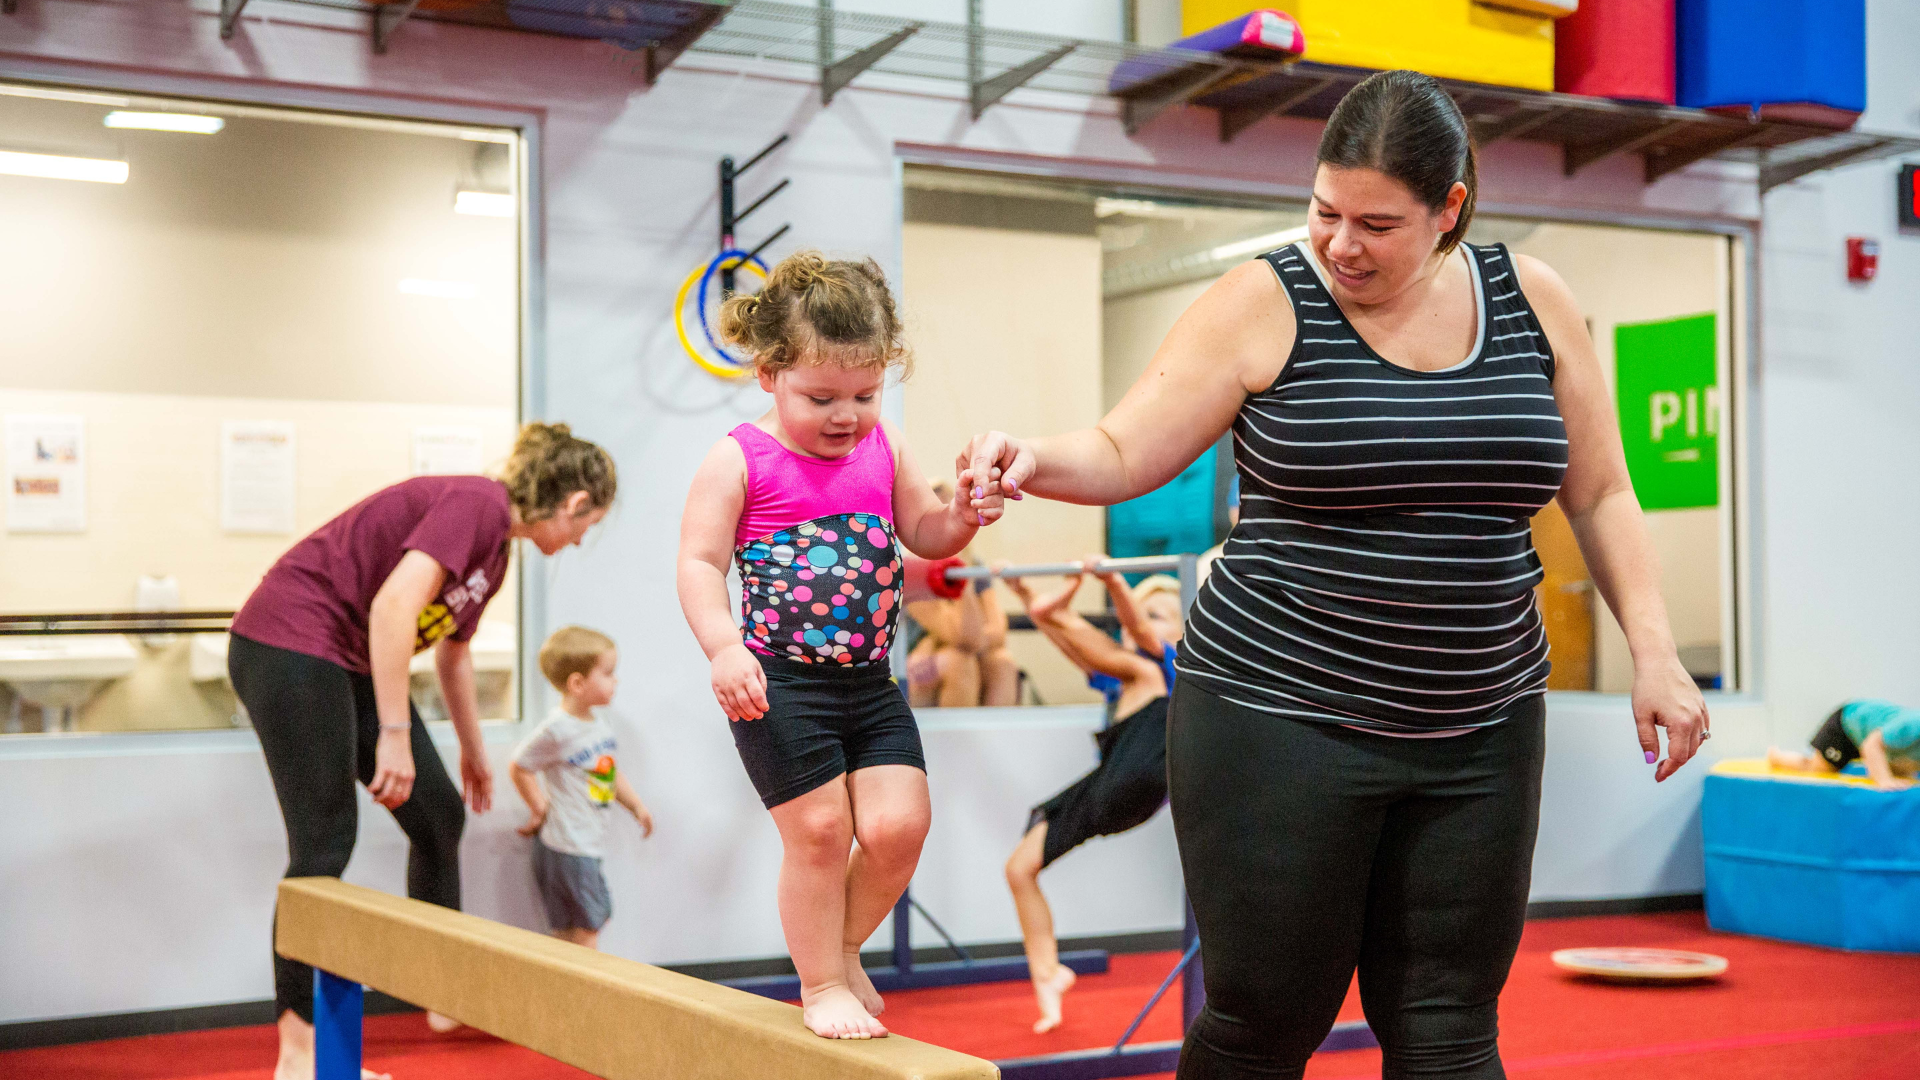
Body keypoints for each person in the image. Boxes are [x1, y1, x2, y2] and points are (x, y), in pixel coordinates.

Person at [956, 70, 1709, 1079]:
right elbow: (1123, 448)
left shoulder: (1532, 299)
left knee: (1450, 1031)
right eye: (1324, 211)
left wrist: (1653, 654)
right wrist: (1030, 460)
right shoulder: (1265, 300)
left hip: (1482, 726)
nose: (1341, 243)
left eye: (1377, 223)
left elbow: (1604, 491)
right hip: (1279, 718)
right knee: (1267, 1022)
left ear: (1450, 209)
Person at [675, 251, 999, 1040]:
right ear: (768, 375)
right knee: (820, 833)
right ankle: (820, 983)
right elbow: (698, 562)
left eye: (865, 392)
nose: (846, 414)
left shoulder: (882, 447)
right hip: (777, 682)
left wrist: (963, 513)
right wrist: (723, 648)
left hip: (870, 682)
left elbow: (923, 531)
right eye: (820, 397)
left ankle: (843, 949)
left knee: (898, 828)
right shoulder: (739, 459)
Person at [227, 421, 616, 1080]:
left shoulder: (495, 550)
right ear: (575, 503)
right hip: (289, 643)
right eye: (588, 525)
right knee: (322, 848)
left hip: (343, 657)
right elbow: (392, 608)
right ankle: (298, 1053)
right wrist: (397, 737)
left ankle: (442, 992)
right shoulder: (478, 504)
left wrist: (471, 750)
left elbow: (454, 653)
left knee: (439, 817)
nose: (581, 539)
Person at [1001, 562, 1175, 1035]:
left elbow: (1137, 629)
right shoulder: (1120, 677)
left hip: (1143, 775)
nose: (1141, 621)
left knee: (1141, 667)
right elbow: (1076, 648)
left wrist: (1115, 583)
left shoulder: (1172, 663)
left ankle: (1054, 606)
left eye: (1159, 614)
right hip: (1113, 781)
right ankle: (1048, 977)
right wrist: (1027, 598)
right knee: (1020, 868)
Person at [510, 625, 656, 950]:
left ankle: (560, 997)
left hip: (584, 843)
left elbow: (608, 771)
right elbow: (520, 766)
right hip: (570, 846)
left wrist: (636, 807)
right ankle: (583, 999)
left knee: (572, 931)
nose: (615, 680)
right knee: (588, 928)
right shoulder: (557, 730)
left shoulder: (597, 724)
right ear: (577, 683)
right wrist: (538, 806)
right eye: (607, 673)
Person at [905, 488, 1019, 708]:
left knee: (1002, 663)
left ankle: (993, 742)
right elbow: (962, 637)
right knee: (959, 662)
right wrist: (963, 578)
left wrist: (962, 567)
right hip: (911, 664)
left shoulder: (973, 563)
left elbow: (997, 633)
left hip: (955, 648)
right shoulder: (915, 565)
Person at [1769, 700, 1919, 791]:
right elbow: (1871, 745)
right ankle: (1776, 757)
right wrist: (1883, 780)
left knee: (1904, 771)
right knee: (1819, 769)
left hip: (1870, 733)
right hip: (1847, 724)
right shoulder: (1911, 726)